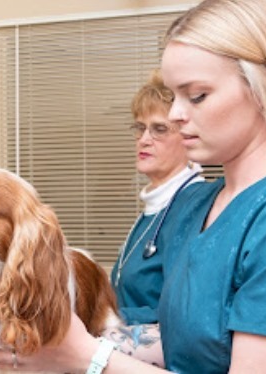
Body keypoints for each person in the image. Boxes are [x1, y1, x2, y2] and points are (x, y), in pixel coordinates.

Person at [0, 0, 266, 373]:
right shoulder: (196, 205)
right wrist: (52, 341)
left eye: (197, 96)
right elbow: (187, 342)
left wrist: (89, 358)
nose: (176, 113)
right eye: (173, 96)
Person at [111, 69, 202, 326]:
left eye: (159, 129)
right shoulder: (153, 209)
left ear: (189, 137)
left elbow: (183, 312)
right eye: (140, 128)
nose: (144, 140)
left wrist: (103, 319)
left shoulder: (195, 206)